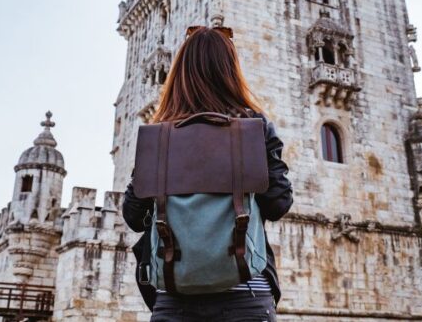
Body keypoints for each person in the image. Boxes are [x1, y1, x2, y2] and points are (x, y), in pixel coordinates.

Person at [122, 25, 294, 322]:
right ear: (230, 70)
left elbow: (133, 216)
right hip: (246, 296)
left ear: (180, 73)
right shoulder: (254, 126)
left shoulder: (158, 136)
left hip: (175, 302)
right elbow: (279, 203)